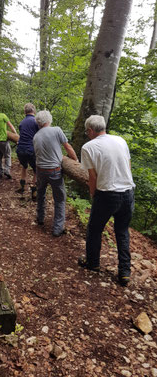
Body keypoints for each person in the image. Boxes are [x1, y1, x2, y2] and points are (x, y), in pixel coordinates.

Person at [79, 115, 135, 286]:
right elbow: (128, 165)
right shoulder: (120, 140)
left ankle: (93, 263)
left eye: (86, 131)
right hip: (128, 192)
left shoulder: (88, 147)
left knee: (95, 229)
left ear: (90, 130)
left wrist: (93, 194)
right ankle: (124, 273)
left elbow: (92, 177)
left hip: (107, 194)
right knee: (122, 231)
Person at [33, 110, 78, 237]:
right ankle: (57, 228)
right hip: (54, 171)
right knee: (59, 199)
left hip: (40, 170)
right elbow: (67, 147)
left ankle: (40, 218)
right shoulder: (56, 130)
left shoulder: (36, 136)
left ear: (38, 122)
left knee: (41, 195)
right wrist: (76, 161)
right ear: (49, 120)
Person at [16, 103, 39, 200]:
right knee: (36, 170)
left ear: (25, 111)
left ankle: (22, 187)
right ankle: (34, 192)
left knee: (24, 166)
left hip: (20, 149)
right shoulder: (36, 122)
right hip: (31, 149)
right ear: (34, 110)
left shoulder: (21, 123)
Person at [0, 104, 17, 179]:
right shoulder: (3, 115)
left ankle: (0, 172)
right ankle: (7, 171)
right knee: (7, 155)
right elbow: (10, 125)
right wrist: (16, 135)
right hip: (3, 140)